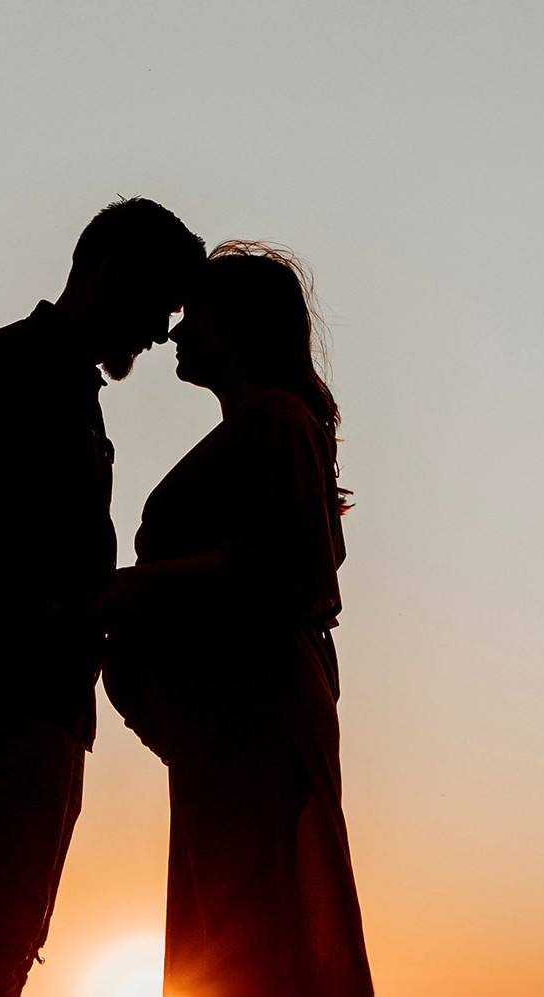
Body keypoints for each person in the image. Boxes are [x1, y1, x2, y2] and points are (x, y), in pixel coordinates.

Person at [0, 197, 205, 997]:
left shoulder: (58, 378)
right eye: (160, 305)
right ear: (113, 269)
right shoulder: (24, 368)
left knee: (8, 930)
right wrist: (89, 612)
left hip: (34, 692)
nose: (158, 332)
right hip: (15, 688)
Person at [98, 243, 375, 997]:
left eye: (196, 316)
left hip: (253, 712)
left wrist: (138, 586)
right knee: (230, 924)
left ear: (243, 324)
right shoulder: (255, 426)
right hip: (221, 722)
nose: (176, 334)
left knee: (252, 924)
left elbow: (291, 561)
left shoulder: (276, 420)